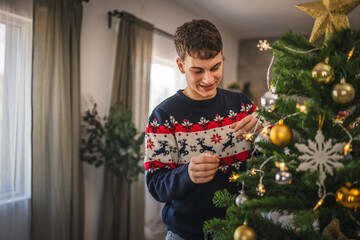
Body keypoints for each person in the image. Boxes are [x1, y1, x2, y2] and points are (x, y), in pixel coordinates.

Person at [144, 19, 264, 240]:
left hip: (243, 229)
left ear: (221, 57)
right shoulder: (163, 117)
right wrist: (187, 174)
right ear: (181, 66)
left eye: (215, 67)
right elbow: (156, 185)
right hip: (186, 235)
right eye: (197, 71)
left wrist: (263, 133)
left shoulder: (241, 104)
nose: (208, 79)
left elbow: (266, 162)